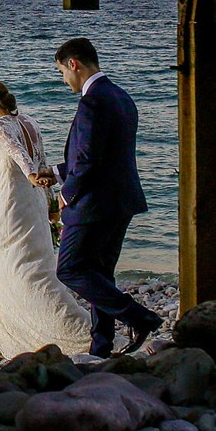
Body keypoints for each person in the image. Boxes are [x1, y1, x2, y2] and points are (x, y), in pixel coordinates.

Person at [31, 37, 163, 357]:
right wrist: (57, 172)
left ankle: (139, 317)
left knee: (70, 269)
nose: (63, 79)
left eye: (62, 71)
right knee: (100, 274)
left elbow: (89, 160)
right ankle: (101, 346)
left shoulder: (92, 101)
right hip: (121, 201)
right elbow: (104, 155)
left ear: (73, 64)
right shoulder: (121, 96)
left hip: (94, 204)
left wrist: (66, 193)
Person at [0, 75, 92, 359]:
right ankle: (35, 333)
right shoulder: (30, 122)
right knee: (36, 266)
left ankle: (53, 335)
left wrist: (31, 175)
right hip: (34, 202)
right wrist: (50, 202)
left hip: (13, 203)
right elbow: (42, 160)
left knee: (13, 267)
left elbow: (19, 153)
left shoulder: (0, 125)